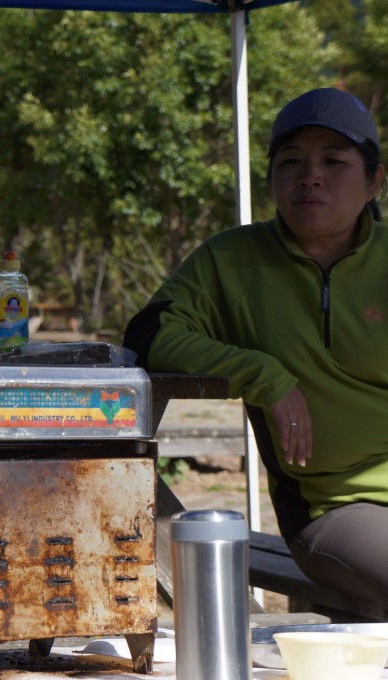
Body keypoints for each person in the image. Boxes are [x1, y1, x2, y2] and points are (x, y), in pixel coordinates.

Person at [124, 87, 388, 607]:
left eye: (333, 161)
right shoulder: (232, 260)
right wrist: (262, 373)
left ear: (375, 180)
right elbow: (148, 336)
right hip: (337, 509)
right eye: (291, 162)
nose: (310, 176)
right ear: (271, 180)